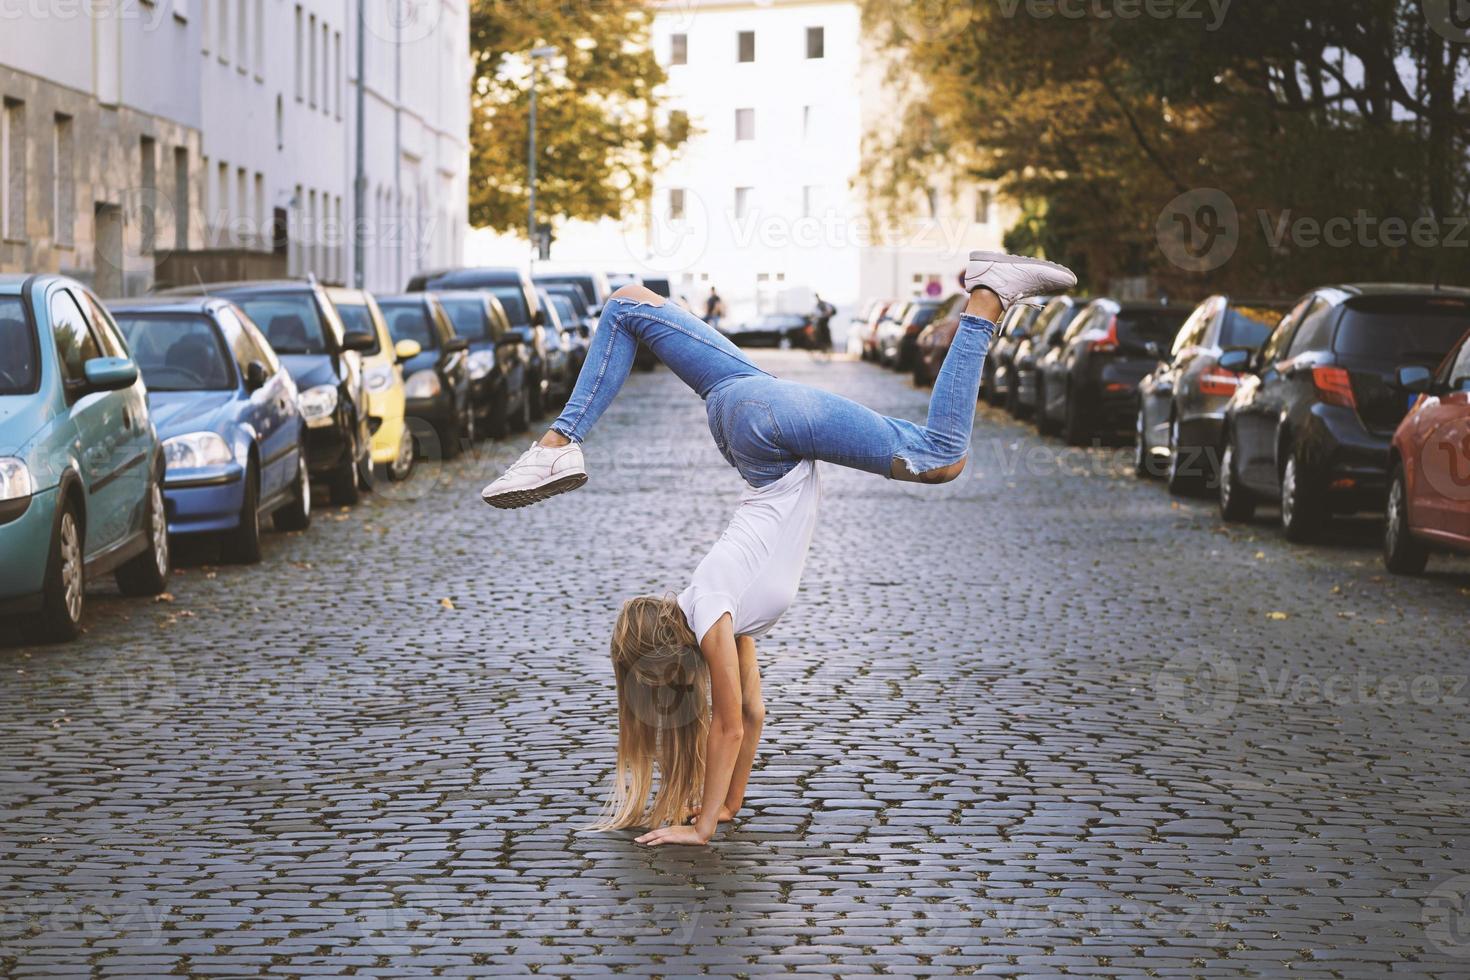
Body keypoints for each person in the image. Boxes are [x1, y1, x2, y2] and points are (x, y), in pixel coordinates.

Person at [481, 251, 1077, 846]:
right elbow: (754, 714)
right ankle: (557, 443)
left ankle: (987, 297)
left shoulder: (713, 611)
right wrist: (731, 802)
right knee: (629, 303)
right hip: (742, 406)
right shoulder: (724, 615)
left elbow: (730, 728)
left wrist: (702, 829)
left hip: (764, 432)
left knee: (941, 457)